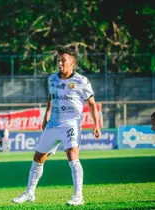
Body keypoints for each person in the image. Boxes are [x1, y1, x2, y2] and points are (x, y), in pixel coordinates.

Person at [12, 47, 101, 206]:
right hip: (53, 124)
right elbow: (51, 99)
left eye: (63, 60)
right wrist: (46, 117)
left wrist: (97, 125)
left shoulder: (81, 81)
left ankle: (78, 196)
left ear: (72, 63)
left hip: (71, 124)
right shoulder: (52, 79)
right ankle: (30, 193)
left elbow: (92, 104)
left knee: (72, 155)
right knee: (38, 157)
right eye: (58, 60)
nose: (60, 63)